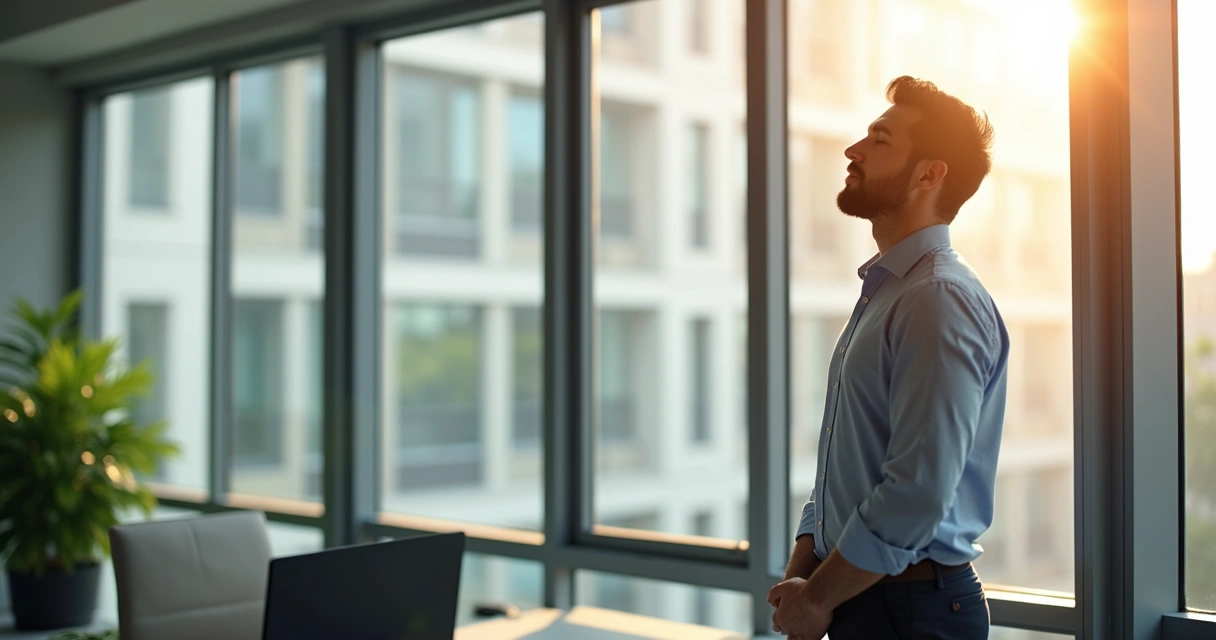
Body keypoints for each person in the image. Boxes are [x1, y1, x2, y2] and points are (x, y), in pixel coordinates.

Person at [767, 76, 1009, 640]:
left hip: (911, 613)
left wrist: (816, 596)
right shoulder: (891, 291)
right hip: (864, 599)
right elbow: (843, 468)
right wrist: (802, 584)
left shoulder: (937, 299)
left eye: (879, 139)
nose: (853, 151)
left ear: (929, 173)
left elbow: (916, 492)